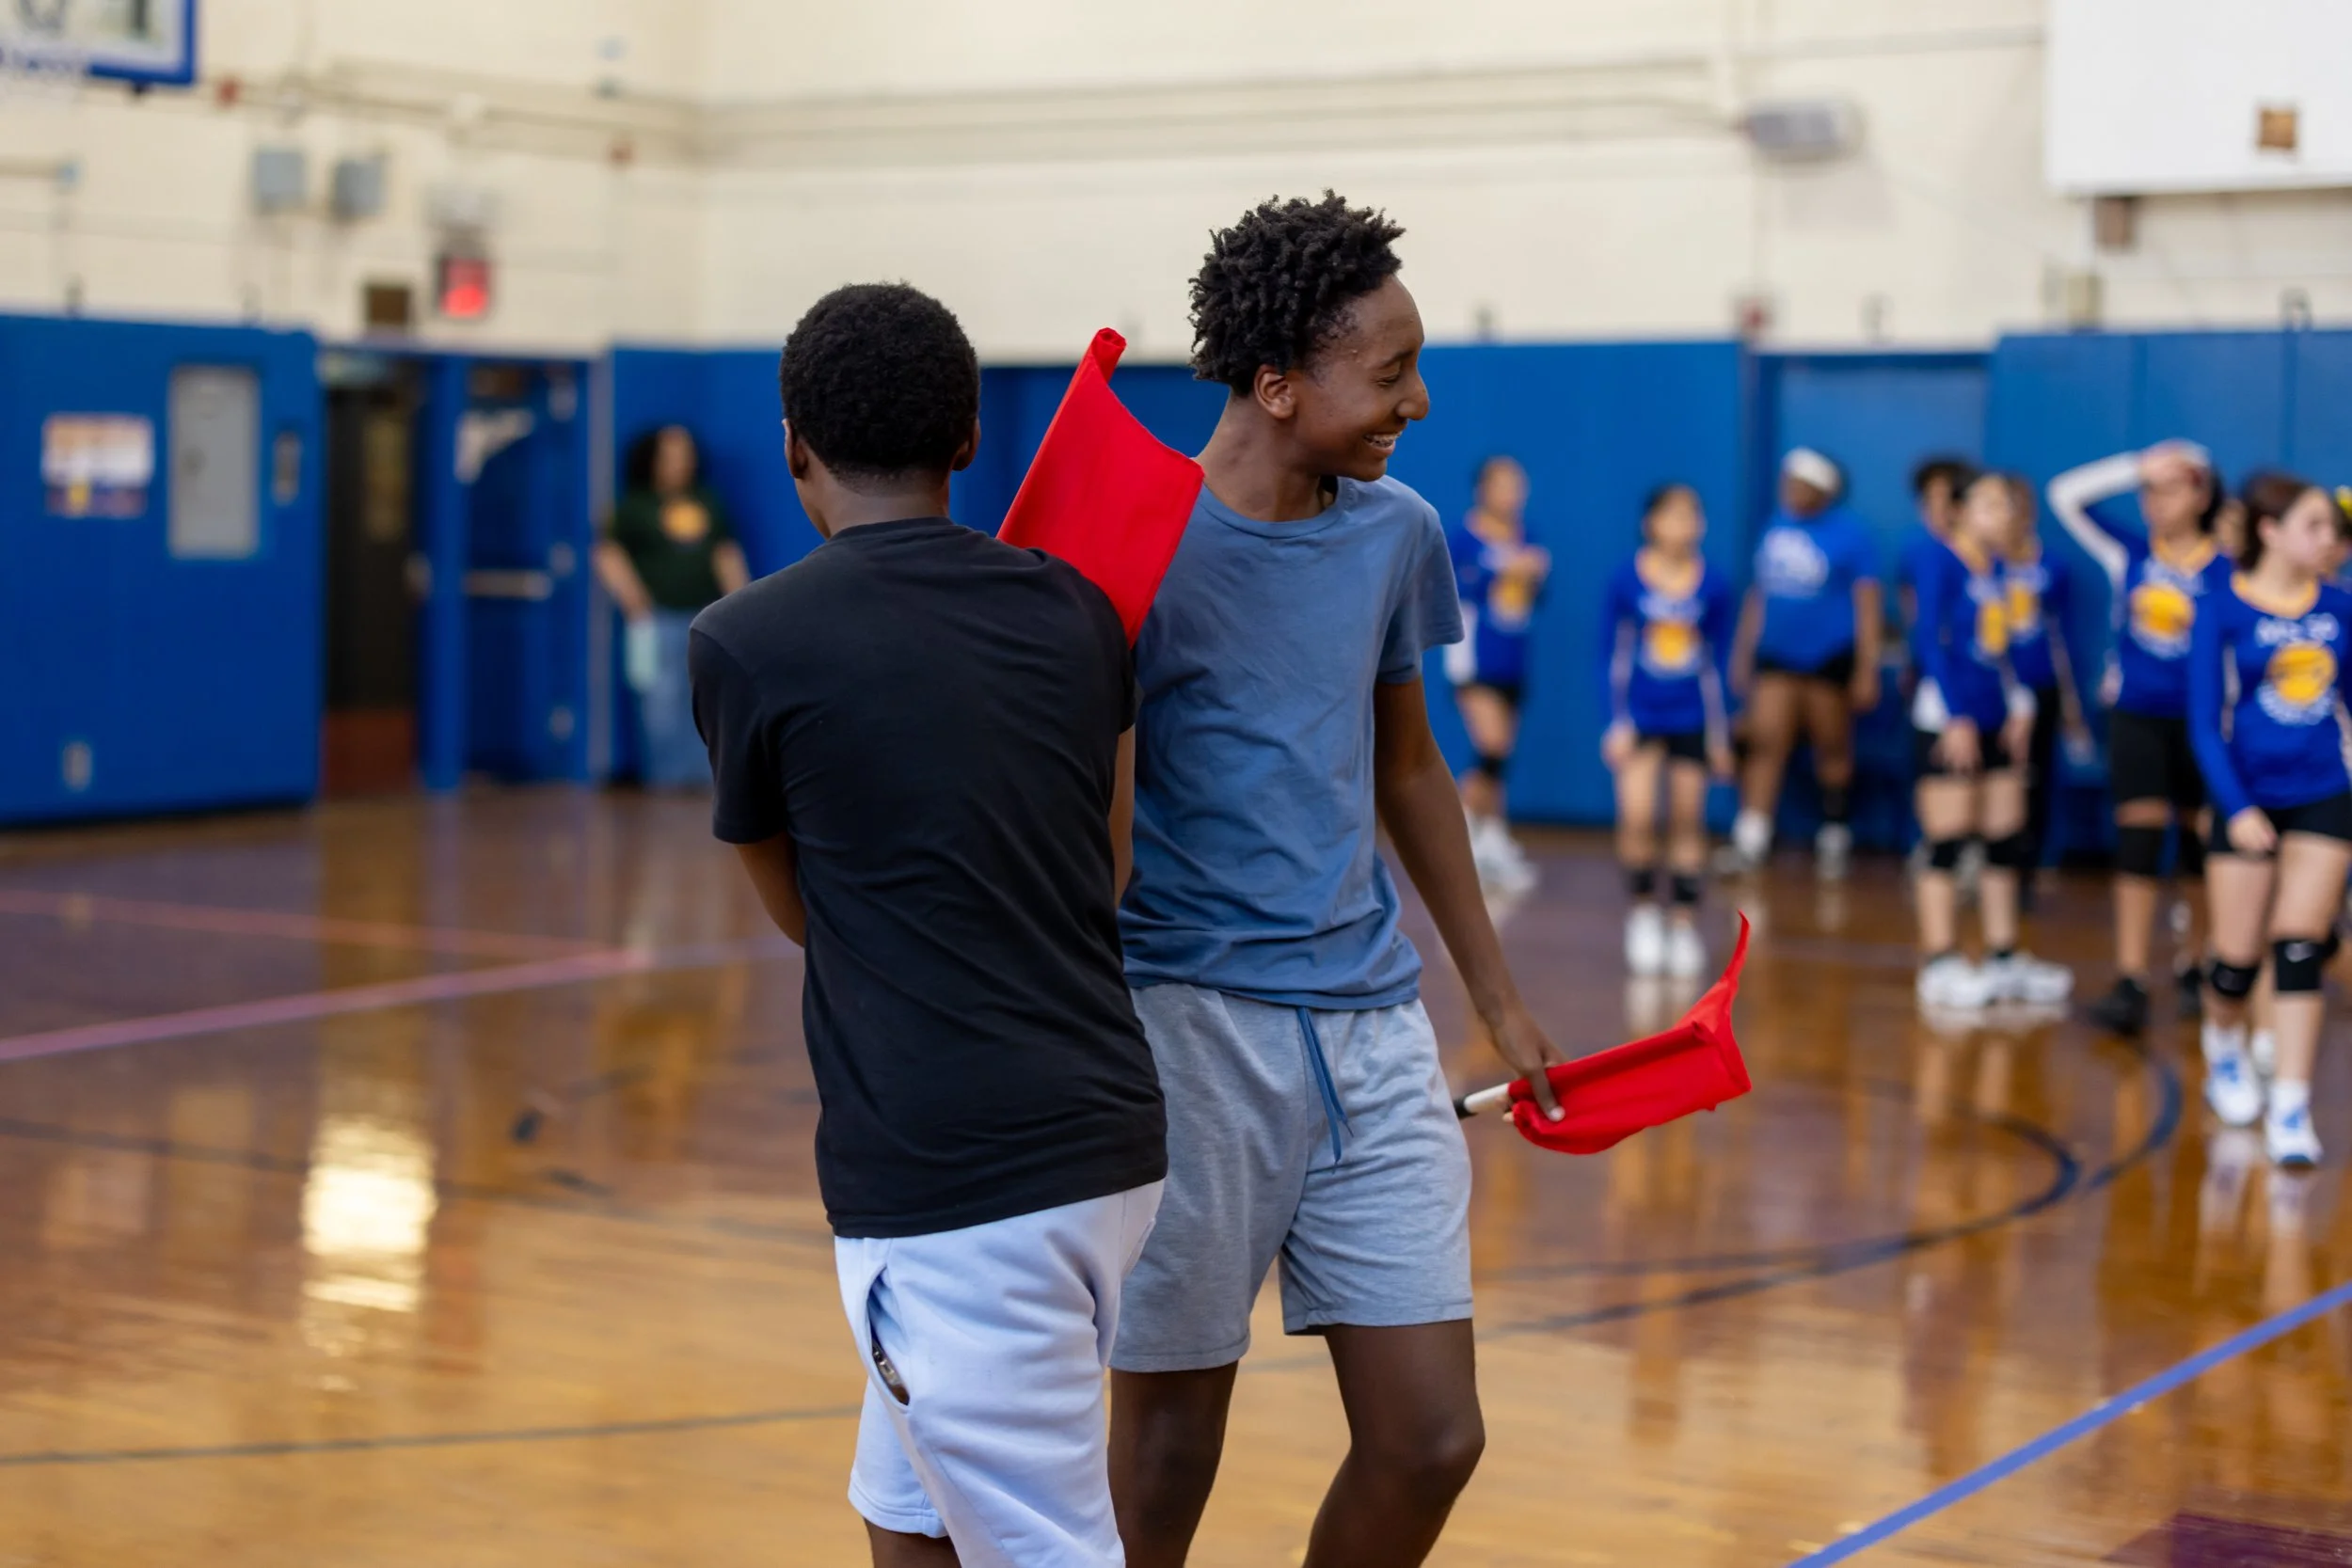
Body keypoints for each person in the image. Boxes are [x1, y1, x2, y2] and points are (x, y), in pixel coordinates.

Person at [1109, 194, 1564, 1568]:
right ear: (1275, 383)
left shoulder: (1396, 532)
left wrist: (1498, 993)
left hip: (1371, 1025)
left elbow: (1409, 765)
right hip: (1189, 1025)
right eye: (1391, 372)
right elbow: (1089, 805)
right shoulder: (1141, 542)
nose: (1419, 401)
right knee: (1172, 1442)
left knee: (1432, 1434)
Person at [690, 282, 1168, 1567]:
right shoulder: (1079, 613)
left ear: (793, 444)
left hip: (960, 1185)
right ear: (968, 439)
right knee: (907, 1517)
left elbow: (804, 909)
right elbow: (1105, 861)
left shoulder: (743, 642)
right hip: (1106, 1137)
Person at [2188, 472, 2352, 1169]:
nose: (2330, 540)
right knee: (2235, 963)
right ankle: (2222, 1045)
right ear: (2270, 530)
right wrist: (2238, 808)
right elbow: (2203, 722)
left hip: (2323, 791)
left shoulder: (2340, 607)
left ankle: (2290, 1103)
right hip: (2247, 795)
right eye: (2314, 526)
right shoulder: (2220, 607)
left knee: (2299, 945)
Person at [2049, 440, 2229, 1036]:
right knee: (2139, 844)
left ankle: (2196, 966)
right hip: (2137, 716)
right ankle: (2130, 979)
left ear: (2202, 494)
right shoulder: (2129, 551)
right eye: (2149, 491)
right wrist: (2136, 466)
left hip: (2206, 724)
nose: (2154, 500)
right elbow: (2064, 495)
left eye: (2171, 488)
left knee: (2203, 852)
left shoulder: (2228, 564)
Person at [1909, 471, 2074, 1009]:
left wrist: (2022, 704)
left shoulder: (2003, 569)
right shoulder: (1939, 560)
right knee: (1948, 840)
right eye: (1989, 505)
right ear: (1958, 512)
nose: (2003, 516)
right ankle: (1940, 962)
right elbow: (1929, 640)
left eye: (2007, 506)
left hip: (1996, 714)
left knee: (2005, 836)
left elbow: (2001, 646)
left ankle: (2004, 957)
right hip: (1948, 716)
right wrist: (1955, 716)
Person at [1598, 483, 1737, 977]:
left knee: (1687, 818)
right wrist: (1616, 722)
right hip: (1640, 717)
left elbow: (1716, 664)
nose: (1685, 525)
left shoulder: (1713, 584)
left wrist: (1720, 734)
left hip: (1692, 719)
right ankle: (1641, 914)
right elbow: (1611, 655)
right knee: (1636, 816)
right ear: (1651, 523)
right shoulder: (1627, 580)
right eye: (1673, 515)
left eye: (1692, 515)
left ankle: (1681, 922)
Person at [1726, 447, 1883, 879]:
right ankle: (1752, 836)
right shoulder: (1775, 527)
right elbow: (1758, 596)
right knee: (1764, 741)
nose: (1791, 491)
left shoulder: (1851, 536)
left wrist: (1865, 667)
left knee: (1831, 744)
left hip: (1827, 657)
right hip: (1777, 657)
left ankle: (1834, 833)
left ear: (1823, 490)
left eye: (1800, 484)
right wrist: (1742, 652)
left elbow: (1867, 602)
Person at [597, 425, 752, 786]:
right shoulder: (634, 507)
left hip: (706, 617)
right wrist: (634, 600)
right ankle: (666, 777)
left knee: (706, 698)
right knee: (660, 698)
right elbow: (608, 553)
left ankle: (704, 775)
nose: (680, 463)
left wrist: (741, 601)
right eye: (670, 456)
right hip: (656, 619)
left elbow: (724, 553)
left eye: (685, 454)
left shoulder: (708, 501)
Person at [1445, 455, 1550, 894]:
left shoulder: (1529, 539)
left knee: (1499, 755)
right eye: (1504, 484)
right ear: (1483, 489)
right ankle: (1457, 827)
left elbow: (1537, 598)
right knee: (1491, 745)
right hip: (1474, 656)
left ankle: (1489, 837)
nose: (1513, 493)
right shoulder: (1464, 539)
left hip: (1514, 657)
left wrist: (1536, 574)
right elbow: (1450, 589)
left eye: (1518, 484)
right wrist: (1501, 569)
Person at [1998, 479, 2091, 896]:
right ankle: (1985, 864)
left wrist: (2071, 704)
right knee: (1992, 777)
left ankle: (2028, 867)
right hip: (1995, 689)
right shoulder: (1984, 566)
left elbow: (2063, 637)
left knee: (2034, 779)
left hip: (2040, 688)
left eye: (2019, 506)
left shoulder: (2051, 567)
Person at [1897, 455, 1975, 665]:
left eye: (1947, 498)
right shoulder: (1915, 549)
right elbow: (1909, 603)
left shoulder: (1983, 554)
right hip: (1926, 663)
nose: (1939, 507)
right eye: (1931, 498)